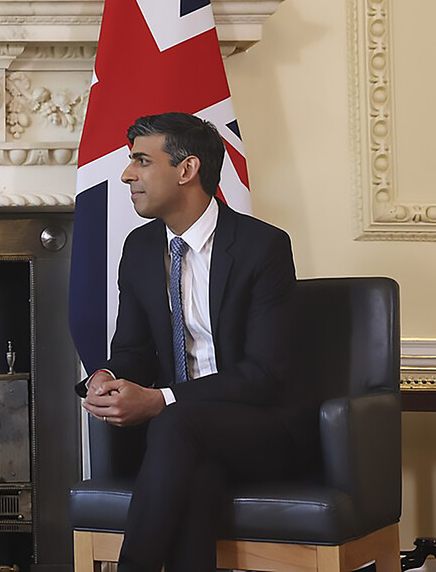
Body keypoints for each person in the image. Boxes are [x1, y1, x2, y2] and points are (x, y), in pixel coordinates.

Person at [75, 112, 318, 571]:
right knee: (197, 481)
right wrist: (106, 378)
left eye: (141, 161)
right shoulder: (140, 247)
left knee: (174, 423)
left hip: (266, 429)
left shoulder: (261, 247)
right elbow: (132, 350)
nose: (127, 174)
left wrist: (161, 399)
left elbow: (264, 376)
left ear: (187, 170)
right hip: (189, 441)